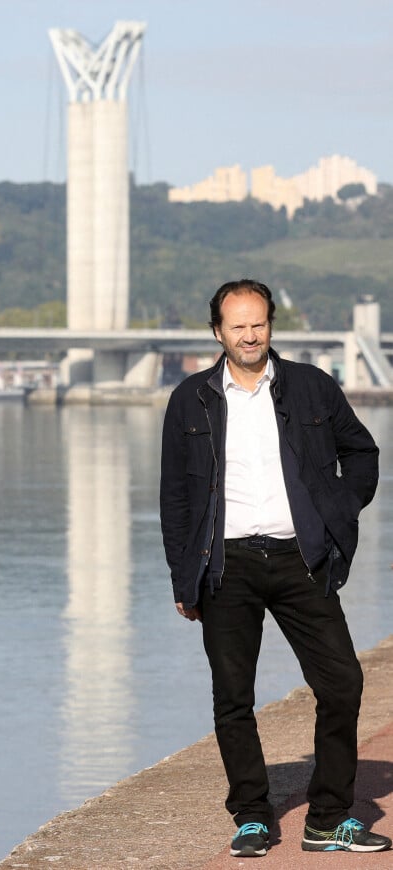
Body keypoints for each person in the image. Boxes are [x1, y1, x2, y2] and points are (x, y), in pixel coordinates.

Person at [160, 279, 391, 857]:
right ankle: (253, 817)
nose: (249, 335)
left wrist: (337, 505)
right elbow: (175, 500)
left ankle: (328, 818)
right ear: (218, 332)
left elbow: (361, 453)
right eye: (237, 326)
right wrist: (181, 578)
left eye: (257, 323)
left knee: (342, 682)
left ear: (270, 326)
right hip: (226, 565)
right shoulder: (191, 399)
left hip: (300, 558)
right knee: (232, 696)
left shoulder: (311, 387)